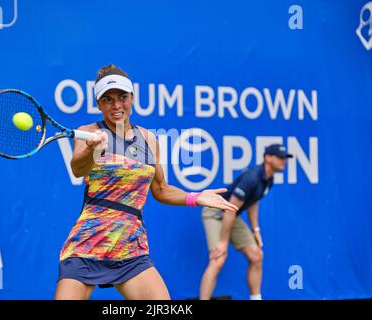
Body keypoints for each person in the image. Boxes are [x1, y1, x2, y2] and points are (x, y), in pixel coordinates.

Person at [54, 64, 238, 300]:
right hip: (88, 243)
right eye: (108, 100)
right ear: (99, 104)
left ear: (132, 98)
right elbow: (78, 169)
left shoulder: (148, 139)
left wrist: (196, 197)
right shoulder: (88, 132)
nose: (117, 105)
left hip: (130, 247)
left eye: (122, 97)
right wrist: (92, 150)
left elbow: (161, 189)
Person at [199, 144, 293, 300]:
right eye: (281, 157)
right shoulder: (252, 177)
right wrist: (223, 242)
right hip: (216, 212)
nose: (284, 161)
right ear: (268, 158)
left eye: (285, 158)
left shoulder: (268, 179)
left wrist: (256, 230)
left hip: (231, 214)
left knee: (257, 256)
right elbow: (230, 209)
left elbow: (253, 203)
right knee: (218, 259)